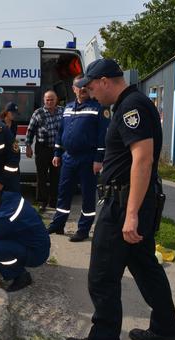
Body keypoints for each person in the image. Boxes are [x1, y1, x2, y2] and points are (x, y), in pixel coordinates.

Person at [63, 59, 175, 340]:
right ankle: (166, 330)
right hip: (133, 202)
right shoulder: (130, 104)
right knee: (146, 269)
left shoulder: (132, 107)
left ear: (104, 80)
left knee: (102, 275)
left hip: (124, 205)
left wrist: (130, 214)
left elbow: (143, 159)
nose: (89, 93)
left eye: (90, 87)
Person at [46, 75, 110, 242]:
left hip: (88, 159)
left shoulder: (99, 108)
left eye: (84, 87)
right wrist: (57, 154)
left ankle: (83, 229)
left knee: (87, 195)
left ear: (89, 88)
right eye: (78, 87)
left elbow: (103, 136)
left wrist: (98, 159)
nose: (81, 90)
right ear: (73, 89)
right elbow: (61, 133)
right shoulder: (67, 108)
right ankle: (58, 224)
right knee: (63, 192)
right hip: (68, 158)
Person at [25, 90, 64, 211]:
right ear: (44, 100)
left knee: (56, 176)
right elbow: (30, 131)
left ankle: (54, 201)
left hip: (58, 149)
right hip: (42, 148)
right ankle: (42, 201)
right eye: (47, 100)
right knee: (41, 176)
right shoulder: (38, 113)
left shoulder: (62, 111)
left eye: (52, 99)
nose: (50, 102)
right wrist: (28, 146)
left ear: (56, 100)